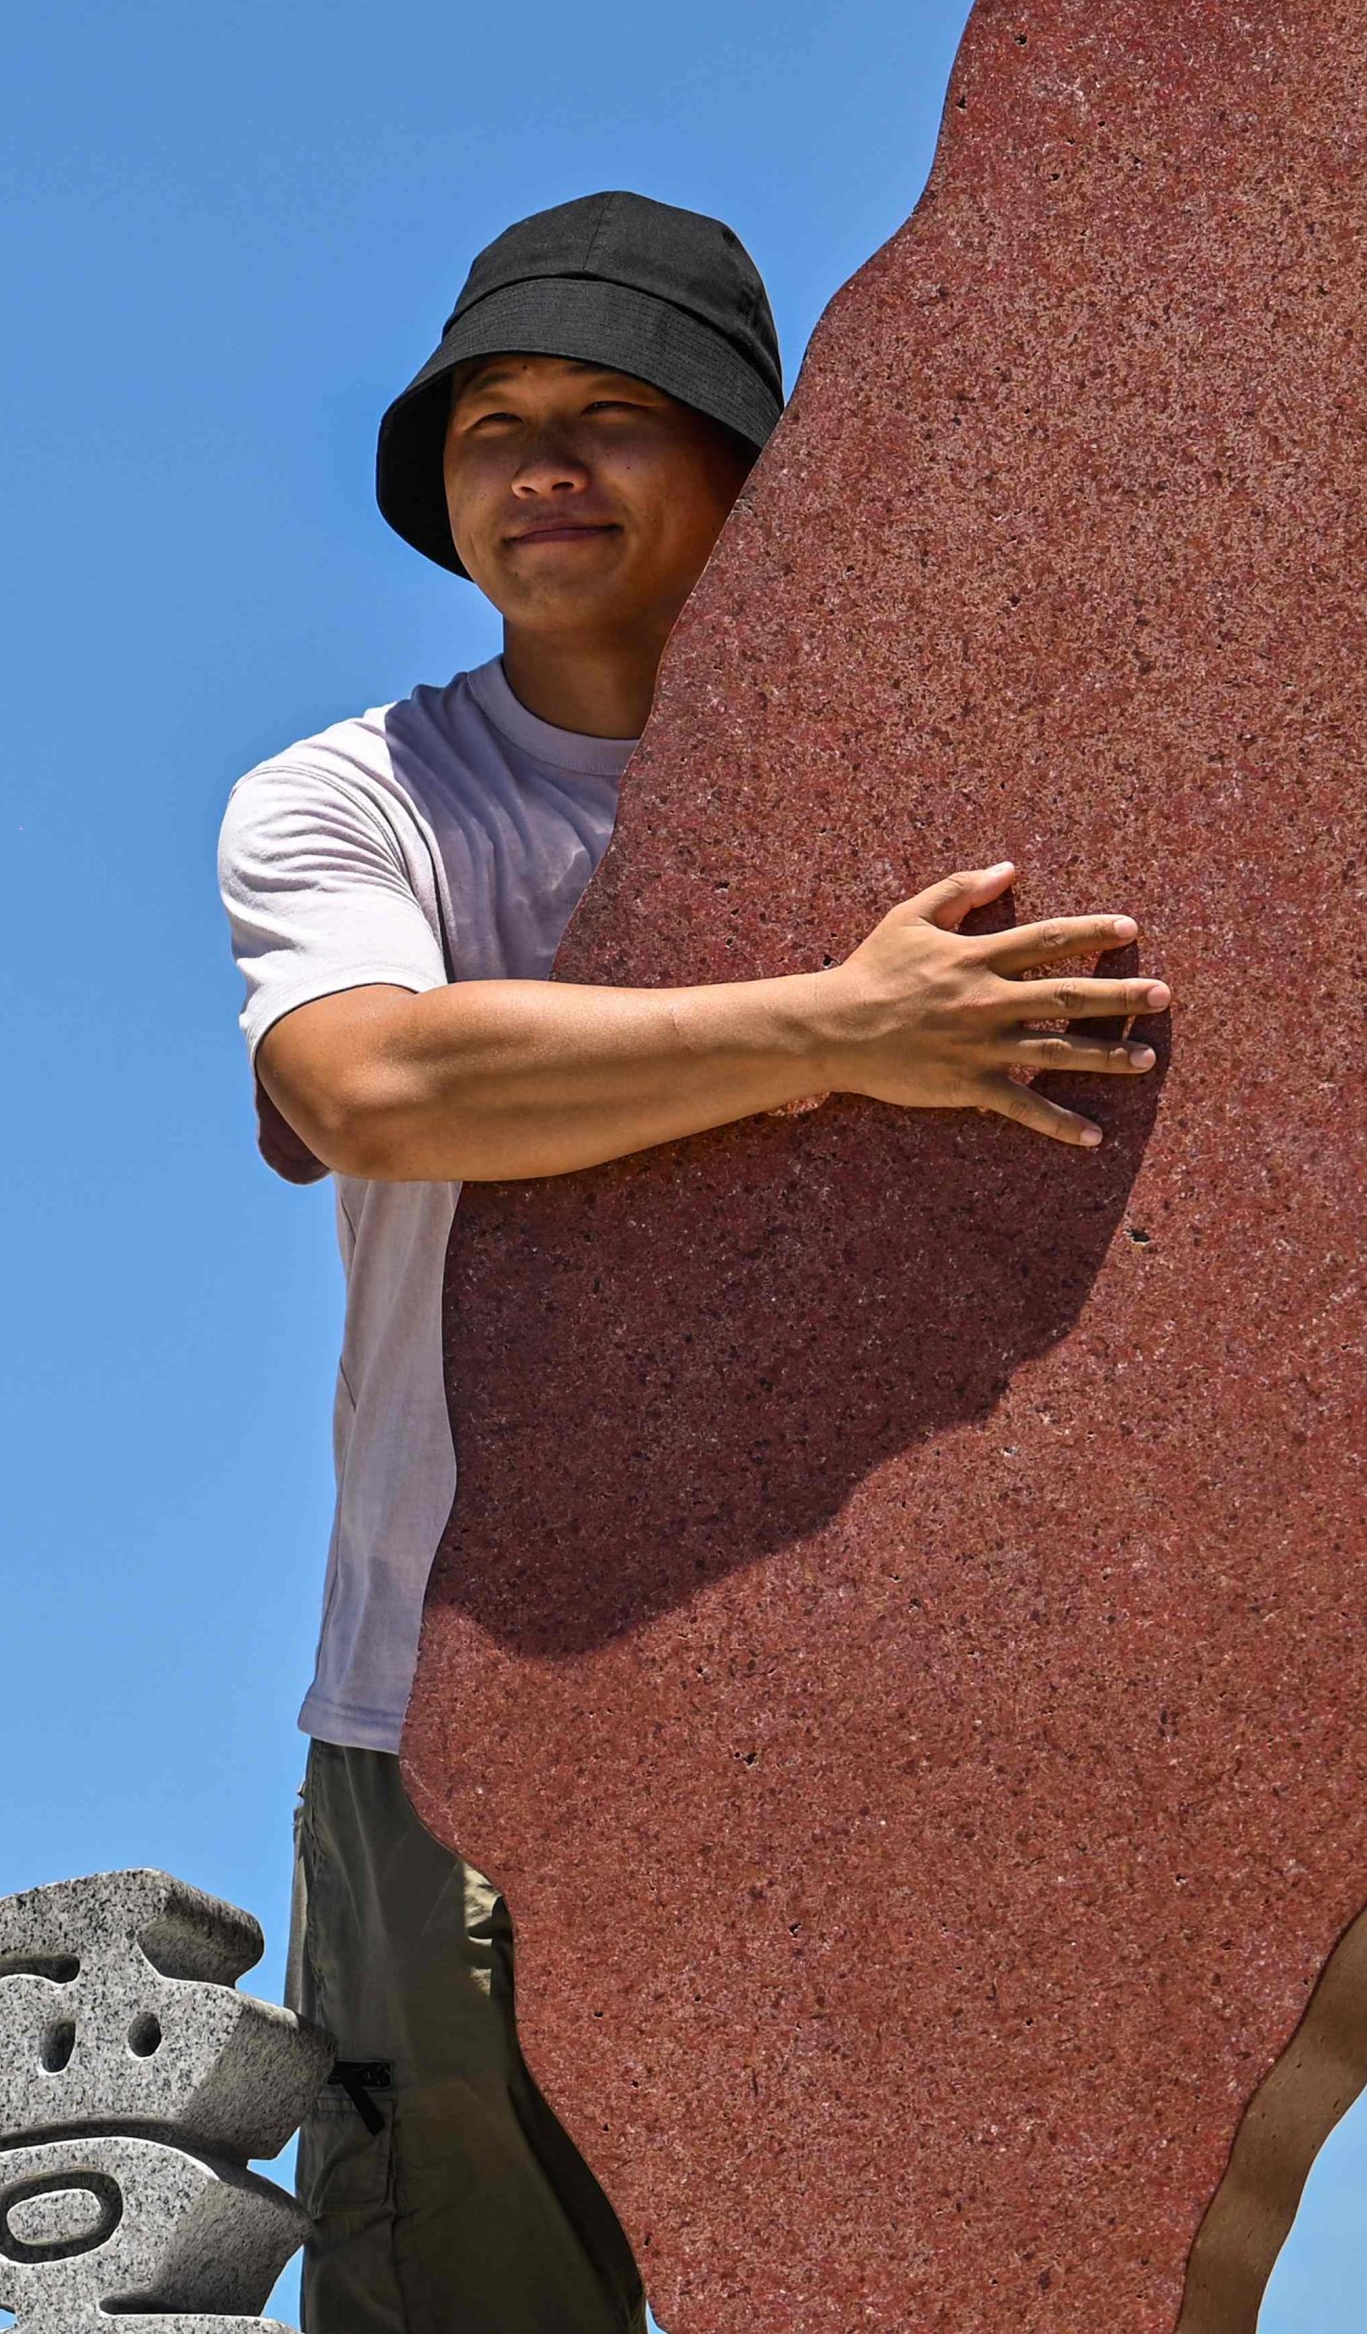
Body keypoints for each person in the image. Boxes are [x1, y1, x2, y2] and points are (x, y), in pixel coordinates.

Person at [217, 192, 1172, 2331]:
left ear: (753, 463)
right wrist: (841, 1031)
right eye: (491, 423)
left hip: (901, 1697)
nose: (538, 463)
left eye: (610, 414)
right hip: (450, 1707)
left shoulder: (965, 800)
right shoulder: (353, 799)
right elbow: (375, 1083)